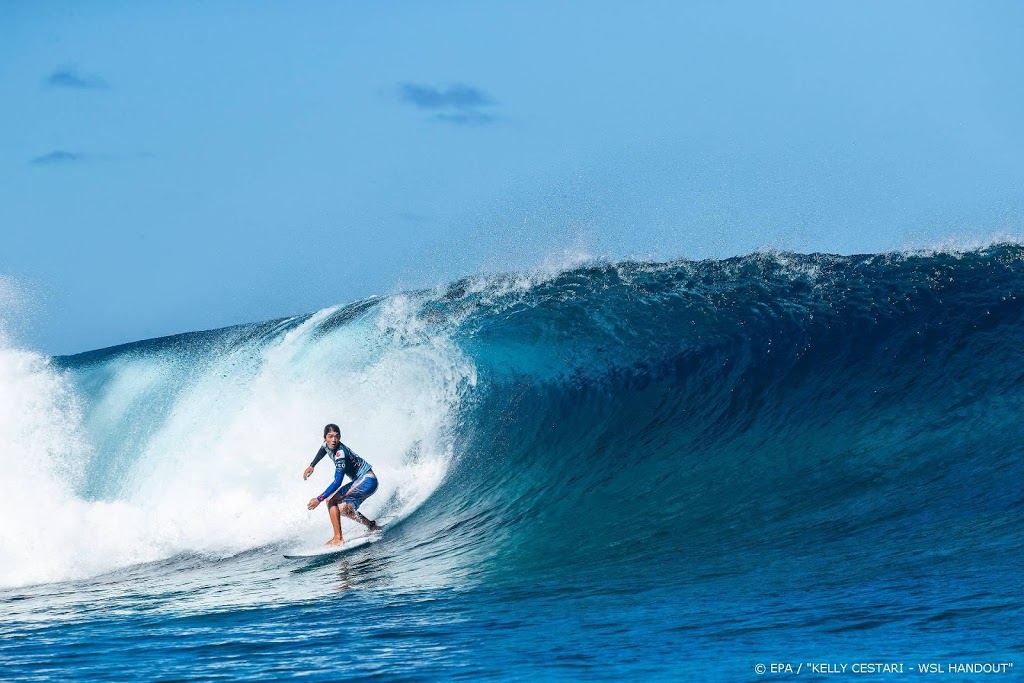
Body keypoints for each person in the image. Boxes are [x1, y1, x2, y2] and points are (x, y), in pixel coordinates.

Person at [304, 423, 381, 545]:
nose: (333, 440)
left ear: (339, 438)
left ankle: (338, 538)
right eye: (330, 436)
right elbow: (323, 449)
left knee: (330, 500)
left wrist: (319, 499)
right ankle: (371, 526)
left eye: (337, 436)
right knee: (343, 509)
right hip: (364, 481)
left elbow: (337, 482)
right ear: (325, 438)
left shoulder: (340, 454)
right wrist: (312, 465)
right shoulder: (327, 445)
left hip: (366, 480)